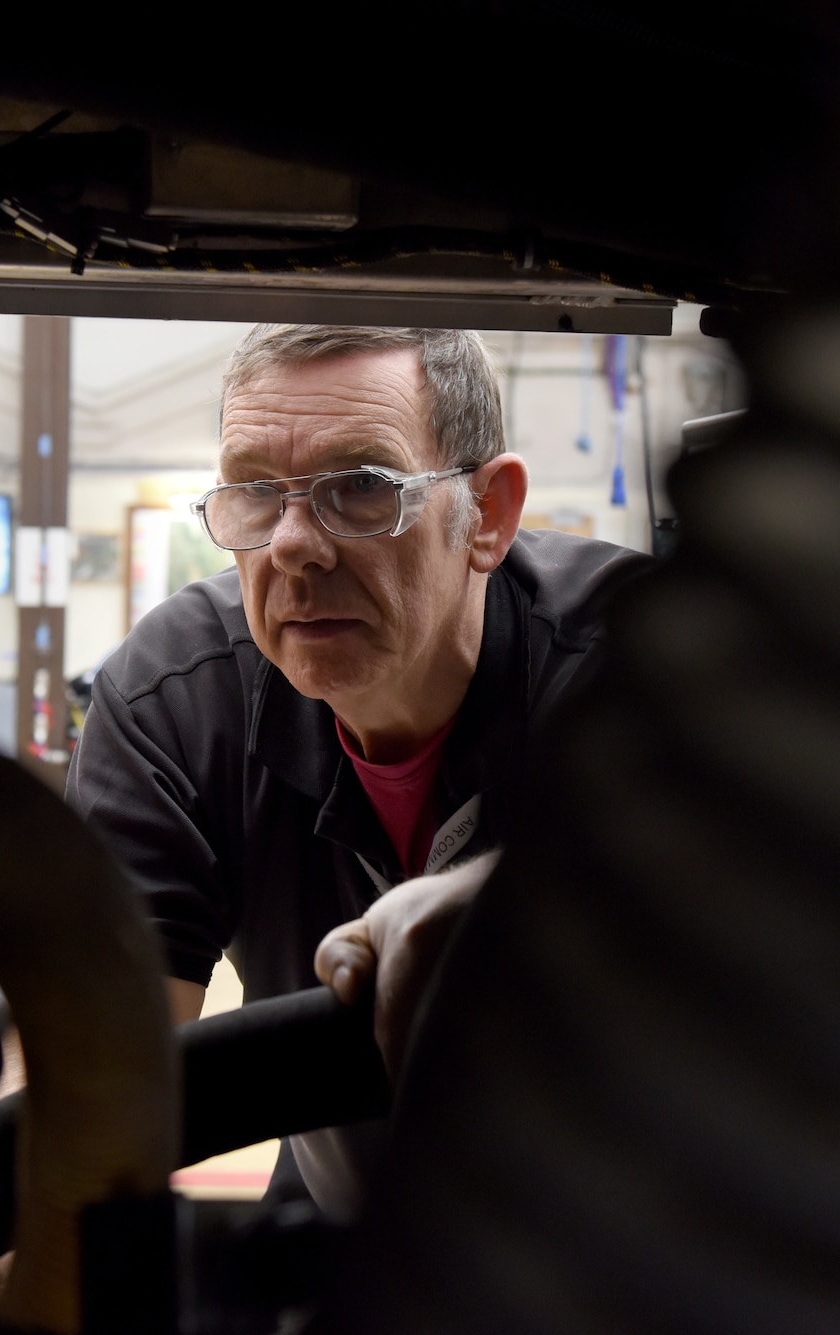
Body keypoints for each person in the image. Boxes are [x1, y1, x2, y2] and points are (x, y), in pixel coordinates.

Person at [65, 324, 649, 1217]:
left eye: (363, 488)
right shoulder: (176, 699)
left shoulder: (644, 668)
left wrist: (514, 899)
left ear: (485, 515)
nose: (295, 545)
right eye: (256, 492)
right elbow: (98, 1068)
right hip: (341, 1229)